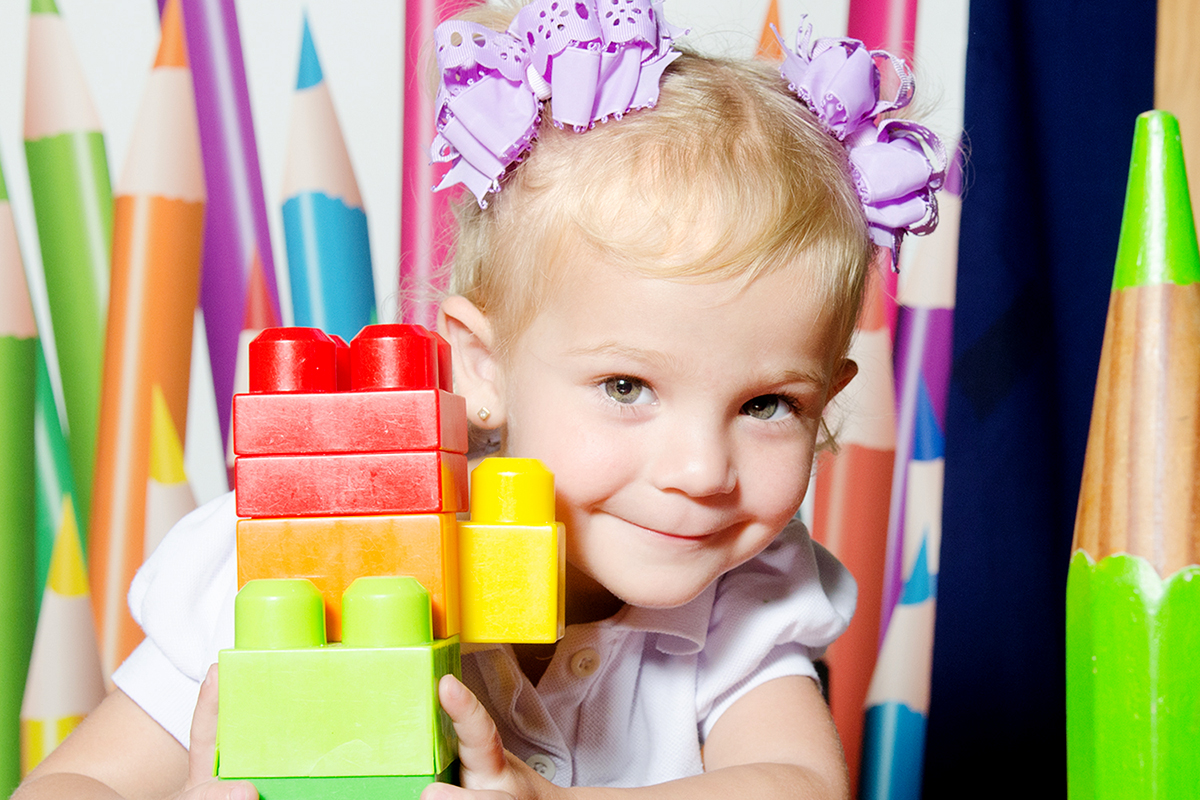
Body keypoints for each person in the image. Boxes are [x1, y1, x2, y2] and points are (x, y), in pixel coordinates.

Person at [14, 2, 943, 799]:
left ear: (829, 400)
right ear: (483, 367)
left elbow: (799, 785)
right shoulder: (292, 562)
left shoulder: (743, 595)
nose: (702, 469)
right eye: (626, 387)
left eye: (770, 405)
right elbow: (66, 782)